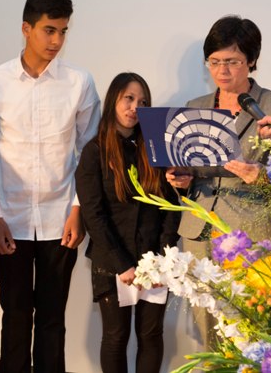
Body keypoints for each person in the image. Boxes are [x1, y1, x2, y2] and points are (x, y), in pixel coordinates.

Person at [0, 0, 101, 372]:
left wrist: (78, 211)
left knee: (51, 320)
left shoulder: (80, 82)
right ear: (26, 28)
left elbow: (88, 154)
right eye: (50, 29)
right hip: (8, 219)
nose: (57, 40)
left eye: (64, 31)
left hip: (60, 219)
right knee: (14, 316)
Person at [166, 15, 271, 348]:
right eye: (214, 62)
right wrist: (180, 179)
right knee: (207, 332)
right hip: (199, 232)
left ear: (251, 61)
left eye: (232, 62)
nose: (222, 70)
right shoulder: (195, 106)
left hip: (252, 232)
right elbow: (192, 168)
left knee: (253, 333)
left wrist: (260, 175)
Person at [75, 73, 180, 373]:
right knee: (115, 336)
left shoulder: (156, 149)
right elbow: (93, 215)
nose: (135, 107)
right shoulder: (94, 152)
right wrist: (122, 263)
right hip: (112, 260)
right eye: (129, 99)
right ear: (113, 101)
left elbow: (171, 205)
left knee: (151, 335)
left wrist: (164, 257)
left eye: (142, 101)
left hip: (154, 257)